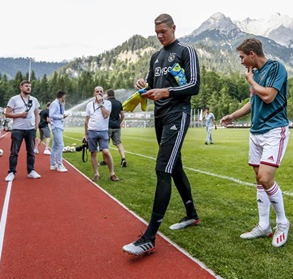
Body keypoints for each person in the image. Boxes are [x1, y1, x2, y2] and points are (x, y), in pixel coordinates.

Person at [122, 13, 201, 256]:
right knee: (174, 166)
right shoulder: (156, 57)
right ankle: (191, 214)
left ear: (173, 28)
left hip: (178, 114)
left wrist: (166, 92)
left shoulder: (186, 50)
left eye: (163, 32)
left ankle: (149, 237)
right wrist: (142, 86)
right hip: (159, 116)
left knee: (162, 169)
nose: (159, 36)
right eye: (156, 33)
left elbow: (194, 85)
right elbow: (150, 85)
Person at [219, 38, 291, 248]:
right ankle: (263, 225)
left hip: (274, 131)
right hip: (256, 132)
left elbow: (268, 96)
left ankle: (283, 223)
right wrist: (233, 115)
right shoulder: (256, 75)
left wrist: (251, 82)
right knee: (259, 181)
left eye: (242, 57)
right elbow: (254, 102)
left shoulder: (276, 68)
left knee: (265, 178)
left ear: (252, 54)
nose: (241, 61)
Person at [4, 80, 41, 182]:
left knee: (31, 152)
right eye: (26, 86)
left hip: (30, 129)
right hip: (18, 129)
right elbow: (7, 114)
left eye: (30, 86)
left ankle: (31, 171)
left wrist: (36, 126)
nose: (28, 88)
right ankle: (11, 172)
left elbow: (37, 113)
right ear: (21, 87)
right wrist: (20, 115)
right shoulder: (14, 99)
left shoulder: (34, 100)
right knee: (14, 152)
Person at [84, 86, 119, 182]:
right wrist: (85, 134)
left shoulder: (107, 103)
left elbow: (106, 115)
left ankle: (112, 173)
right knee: (93, 153)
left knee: (106, 152)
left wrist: (100, 104)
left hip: (103, 131)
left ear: (103, 93)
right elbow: (86, 120)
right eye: (97, 91)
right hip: (91, 131)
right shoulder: (89, 105)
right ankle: (96, 174)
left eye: (101, 91)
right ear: (94, 93)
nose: (99, 93)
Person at [101, 89, 127, 167]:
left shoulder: (106, 103)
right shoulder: (119, 103)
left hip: (108, 126)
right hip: (116, 126)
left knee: (105, 144)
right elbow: (122, 115)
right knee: (118, 143)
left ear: (108, 95)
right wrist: (119, 123)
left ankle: (105, 161)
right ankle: (123, 158)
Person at [49, 91, 69, 173]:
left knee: (55, 146)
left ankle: (53, 164)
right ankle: (60, 164)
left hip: (58, 126)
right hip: (56, 126)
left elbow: (61, 113)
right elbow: (51, 115)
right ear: (62, 96)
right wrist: (62, 116)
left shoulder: (59, 104)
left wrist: (63, 106)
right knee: (61, 145)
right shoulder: (55, 103)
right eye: (64, 96)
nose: (65, 98)